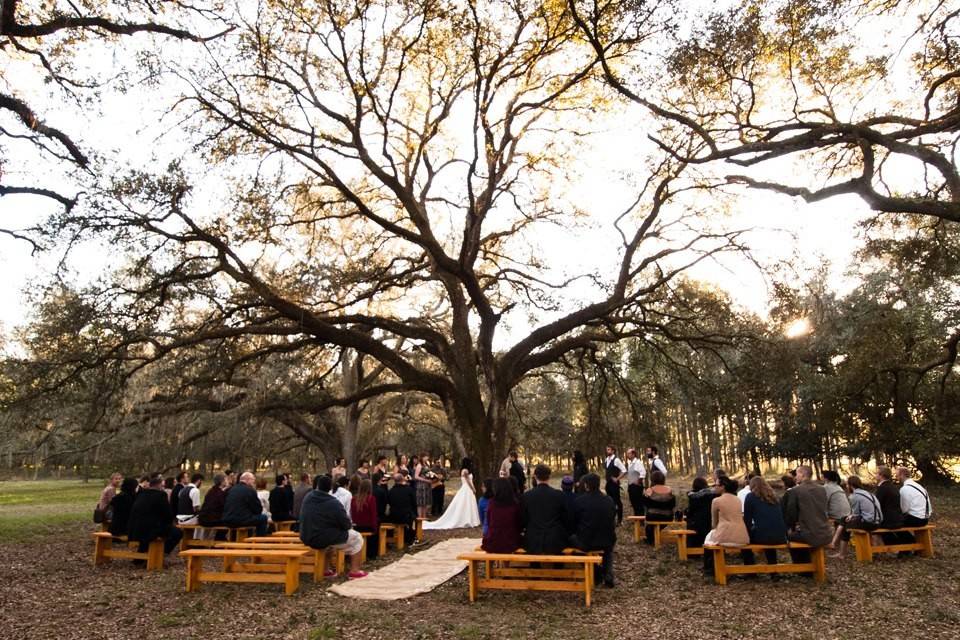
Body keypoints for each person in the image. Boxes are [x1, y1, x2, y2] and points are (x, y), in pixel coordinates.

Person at [300, 475, 367, 579]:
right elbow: (346, 524)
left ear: (317, 485)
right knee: (357, 538)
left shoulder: (308, 497)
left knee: (329, 540)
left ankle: (326, 570)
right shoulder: (333, 502)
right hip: (321, 537)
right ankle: (355, 571)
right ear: (330, 488)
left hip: (306, 535)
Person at [570, 473, 617, 587]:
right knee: (607, 551)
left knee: (570, 541)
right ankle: (608, 575)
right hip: (608, 539)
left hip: (587, 542)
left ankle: (597, 572)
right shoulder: (609, 500)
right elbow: (612, 518)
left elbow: (573, 522)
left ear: (586, 485)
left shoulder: (579, 501)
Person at [783, 466, 833, 566]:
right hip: (826, 532)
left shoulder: (796, 491)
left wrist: (790, 527)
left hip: (810, 535)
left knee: (789, 536)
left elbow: (791, 514)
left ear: (802, 474)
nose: (795, 477)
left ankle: (802, 567)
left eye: (797, 474)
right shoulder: (822, 489)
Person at [701, 475, 749, 576]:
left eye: (716, 485)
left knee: (708, 538)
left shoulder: (716, 501)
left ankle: (710, 569)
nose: (714, 487)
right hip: (742, 536)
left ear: (723, 487)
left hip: (725, 536)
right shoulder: (737, 500)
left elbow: (714, 524)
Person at [127, 473, 183, 557]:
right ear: (159, 485)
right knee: (177, 533)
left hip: (134, 528)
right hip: (150, 529)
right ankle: (159, 554)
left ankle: (141, 556)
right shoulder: (161, 495)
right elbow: (167, 514)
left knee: (152, 529)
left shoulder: (141, 494)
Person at [520, 464, 570, 555]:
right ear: (549, 476)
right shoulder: (559, 495)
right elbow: (565, 518)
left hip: (533, 539)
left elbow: (523, 519)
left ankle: (534, 566)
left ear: (535, 477)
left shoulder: (527, 496)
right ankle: (557, 566)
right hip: (554, 539)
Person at [830, 475, 882, 558]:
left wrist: (852, 516)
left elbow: (856, 514)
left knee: (845, 524)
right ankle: (834, 543)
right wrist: (852, 516)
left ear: (851, 485)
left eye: (847, 485)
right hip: (878, 521)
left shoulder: (855, 496)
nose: (846, 487)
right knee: (844, 520)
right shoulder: (868, 493)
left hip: (869, 523)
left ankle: (840, 551)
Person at [741, 476, 787, 570]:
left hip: (763, 536)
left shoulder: (751, 496)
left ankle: (750, 570)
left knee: (744, 540)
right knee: (767, 533)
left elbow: (747, 521)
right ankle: (773, 571)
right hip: (780, 536)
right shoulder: (775, 496)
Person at [423, 458, 481, 529]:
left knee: (468, 503)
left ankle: (470, 519)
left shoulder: (465, 470)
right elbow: (468, 481)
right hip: (467, 488)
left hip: (466, 488)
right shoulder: (465, 471)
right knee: (466, 503)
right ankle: (467, 519)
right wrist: (473, 489)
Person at [875, 465, 914, 549]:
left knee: (874, 527)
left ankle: (897, 547)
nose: (875, 475)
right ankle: (908, 543)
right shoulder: (893, 486)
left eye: (876, 474)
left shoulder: (882, 488)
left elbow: (877, 506)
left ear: (881, 475)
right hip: (898, 518)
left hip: (888, 520)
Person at [482, 478, 523, 553]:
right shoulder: (514, 503)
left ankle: (495, 564)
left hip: (493, 540)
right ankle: (505, 564)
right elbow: (519, 523)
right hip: (511, 541)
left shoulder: (491, 503)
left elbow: (488, 520)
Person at [222, 471, 269, 536]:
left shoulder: (232, 489)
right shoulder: (250, 490)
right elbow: (258, 509)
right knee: (263, 518)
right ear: (248, 480)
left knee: (249, 517)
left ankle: (236, 540)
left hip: (227, 519)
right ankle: (260, 541)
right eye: (253, 480)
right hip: (240, 520)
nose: (254, 483)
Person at [641, 470, 675, 544]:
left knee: (649, 527)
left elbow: (644, 503)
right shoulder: (669, 490)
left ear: (652, 479)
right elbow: (673, 504)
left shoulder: (650, 490)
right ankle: (653, 537)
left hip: (653, 516)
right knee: (653, 527)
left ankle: (651, 540)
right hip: (668, 517)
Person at [351, 478, 379, 560]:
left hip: (357, 526)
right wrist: (375, 528)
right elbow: (373, 515)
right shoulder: (371, 499)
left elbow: (353, 514)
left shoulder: (354, 499)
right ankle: (372, 554)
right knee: (374, 535)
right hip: (368, 526)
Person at [386, 472, 418, 545]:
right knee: (413, 519)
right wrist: (415, 514)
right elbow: (414, 503)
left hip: (393, 516)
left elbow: (389, 503)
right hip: (406, 516)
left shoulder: (391, 491)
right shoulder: (409, 490)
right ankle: (411, 539)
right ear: (403, 479)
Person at [685, 477, 717, 549]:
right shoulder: (713, 495)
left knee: (691, 524)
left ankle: (692, 549)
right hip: (710, 523)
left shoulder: (693, 497)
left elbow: (691, 512)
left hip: (697, 525)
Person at [603, 445, 626, 525]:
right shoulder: (607, 459)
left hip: (614, 484)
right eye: (607, 450)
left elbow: (624, 470)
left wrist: (617, 478)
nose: (607, 451)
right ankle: (612, 519)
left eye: (609, 450)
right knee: (610, 501)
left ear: (613, 451)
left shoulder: (616, 460)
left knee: (617, 502)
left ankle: (619, 521)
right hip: (608, 484)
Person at [625, 448, 646, 516]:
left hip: (636, 487)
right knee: (634, 504)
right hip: (631, 486)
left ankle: (641, 520)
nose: (627, 455)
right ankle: (637, 519)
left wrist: (638, 482)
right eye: (627, 453)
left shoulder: (637, 462)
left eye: (629, 453)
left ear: (633, 454)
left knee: (639, 504)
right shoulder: (630, 463)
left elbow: (643, 473)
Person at [413, 454, 433, 519]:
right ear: (422, 457)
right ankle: (420, 517)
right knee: (420, 502)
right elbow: (416, 476)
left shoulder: (426, 464)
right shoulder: (419, 465)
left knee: (425, 502)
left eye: (427, 456)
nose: (427, 457)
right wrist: (425, 480)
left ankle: (424, 517)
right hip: (421, 485)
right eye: (425, 456)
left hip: (427, 485)